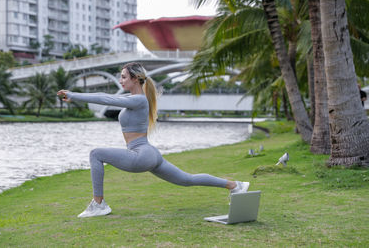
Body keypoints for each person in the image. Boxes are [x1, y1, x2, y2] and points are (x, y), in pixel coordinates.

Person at [57, 62, 249, 218]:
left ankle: (98, 204)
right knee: (186, 179)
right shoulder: (135, 98)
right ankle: (235, 185)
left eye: (123, 77)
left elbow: (106, 98)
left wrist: (74, 95)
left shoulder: (139, 100)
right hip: (149, 153)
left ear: (135, 79)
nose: (120, 80)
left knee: (96, 154)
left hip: (141, 154)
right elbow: (109, 98)